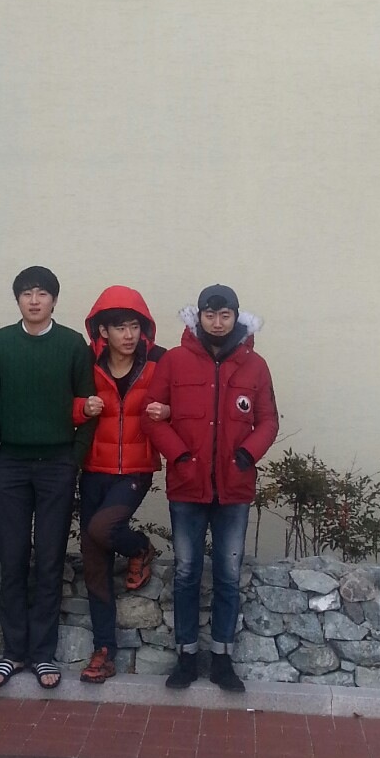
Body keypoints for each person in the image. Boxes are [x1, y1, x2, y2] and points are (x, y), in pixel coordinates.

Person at [145, 285, 279, 693]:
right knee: (186, 573)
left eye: (225, 315)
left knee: (228, 574)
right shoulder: (174, 361)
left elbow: (268, 420)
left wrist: (246, 455)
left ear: (236, 317)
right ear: (199, 317)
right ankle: (186, 657)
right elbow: (153, 417)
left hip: (234, 489)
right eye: (210, 315)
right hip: (187, 486)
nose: (217, 323)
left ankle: (222, 659)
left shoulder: (255, 366)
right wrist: (180, 457)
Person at [0, 266, 95, 691]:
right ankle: (13, 652)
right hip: (9, 465)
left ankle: (43, 654)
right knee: (12, 556)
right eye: (27, 293)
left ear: (54, 300)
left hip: (57, 464)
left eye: (42, 293)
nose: (35, 300)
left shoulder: (72, 345)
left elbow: (89, 405)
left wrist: (74, 458)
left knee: (49, 558)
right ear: (18, 300)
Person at [74, 286, 166, 685]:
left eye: (134, 326)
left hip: (135, 469)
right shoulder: (85, 363)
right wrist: (81, 408)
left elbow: (187, 401)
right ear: (103, 331)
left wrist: (168, 410)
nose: (128, 335)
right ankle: (104, 651)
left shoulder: (159, 362)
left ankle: (141, 547)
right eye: (120, 327)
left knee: (102, 528)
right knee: (94, 562)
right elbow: (60, 402)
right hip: (93, 468)